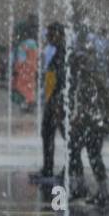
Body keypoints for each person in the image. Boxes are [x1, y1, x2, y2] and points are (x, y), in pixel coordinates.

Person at [67, 39, 109, 206]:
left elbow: (96, 103)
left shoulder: (89, 80)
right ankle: (83, 186)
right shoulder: (87, 79)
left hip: (92, 125)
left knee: (92, 155)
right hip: (90, 124)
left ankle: (101, 191)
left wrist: (81, 116)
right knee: (76, 152)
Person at [32, 22, 67, 186]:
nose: (48, 39)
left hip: (58, 101)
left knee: (67, 136)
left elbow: (60, 79)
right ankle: (48, 168)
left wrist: (55, 100)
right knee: (47, 132)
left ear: (59, 35)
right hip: (52, 100)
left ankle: (68, 170)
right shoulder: (57, 52)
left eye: (51, 35)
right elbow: (52, 76)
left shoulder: (63, 52)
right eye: (47, 36)